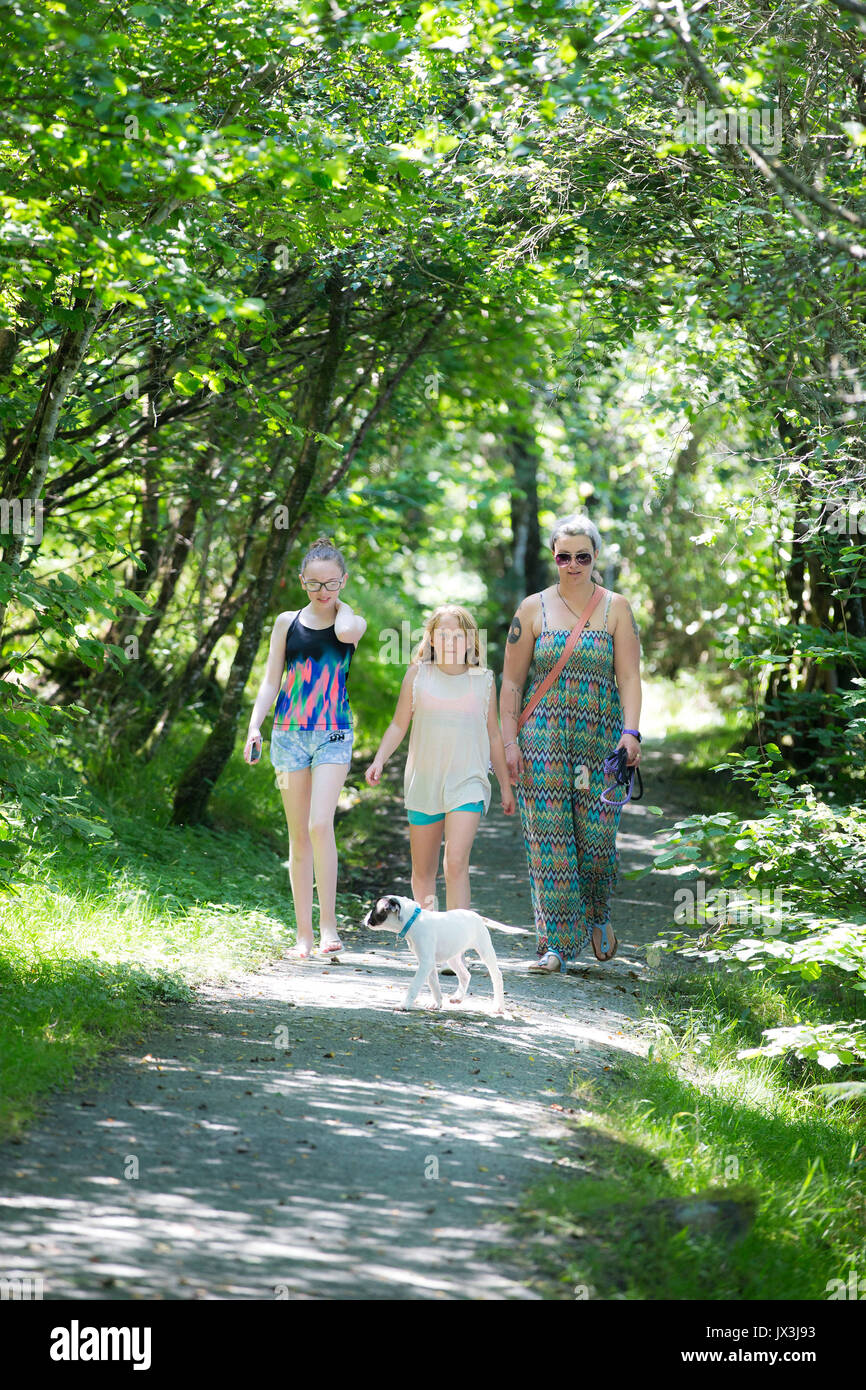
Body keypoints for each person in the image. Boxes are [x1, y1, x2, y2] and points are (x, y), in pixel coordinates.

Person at [500, 513, 642, 972]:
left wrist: (631, 732)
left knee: (597, 841)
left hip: (600, 742)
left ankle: (597, 913)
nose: (574, 564)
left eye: (583, 556)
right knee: (551, 841)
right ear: (554, 557)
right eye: (565, 556)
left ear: (595, 556)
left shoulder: (615, 607)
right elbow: (510, 685)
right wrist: (508, 743)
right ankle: (557, 944)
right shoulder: (531, 609)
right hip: (542, 740)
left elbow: (629, 677)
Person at [244, 536, 366, 959]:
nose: (322, 592)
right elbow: (270, 679)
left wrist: (340, 604)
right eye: (314, 584)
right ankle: (304, 934)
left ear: (343, 581)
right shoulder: (285, 622)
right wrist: (254, 725)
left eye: (331, 584)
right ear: (301, 581)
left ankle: (329, 926)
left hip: (333, 732)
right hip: (288, 734)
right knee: (298, 837)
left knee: (319, 824)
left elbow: (346, 630)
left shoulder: (351, 621)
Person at [365, 605, 515, 914]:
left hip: (468, 781)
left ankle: (457, 948)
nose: (450, 641)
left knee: (456, 861)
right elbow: (398, 724)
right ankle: (430, 935)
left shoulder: (484, 679)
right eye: (442, 635)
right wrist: (379, 759)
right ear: (431, 639)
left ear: (471, 641)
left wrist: (505, 785)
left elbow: (494, 735)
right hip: (424, 782)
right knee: (423, 871)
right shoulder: (419, 675)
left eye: (458, 635)